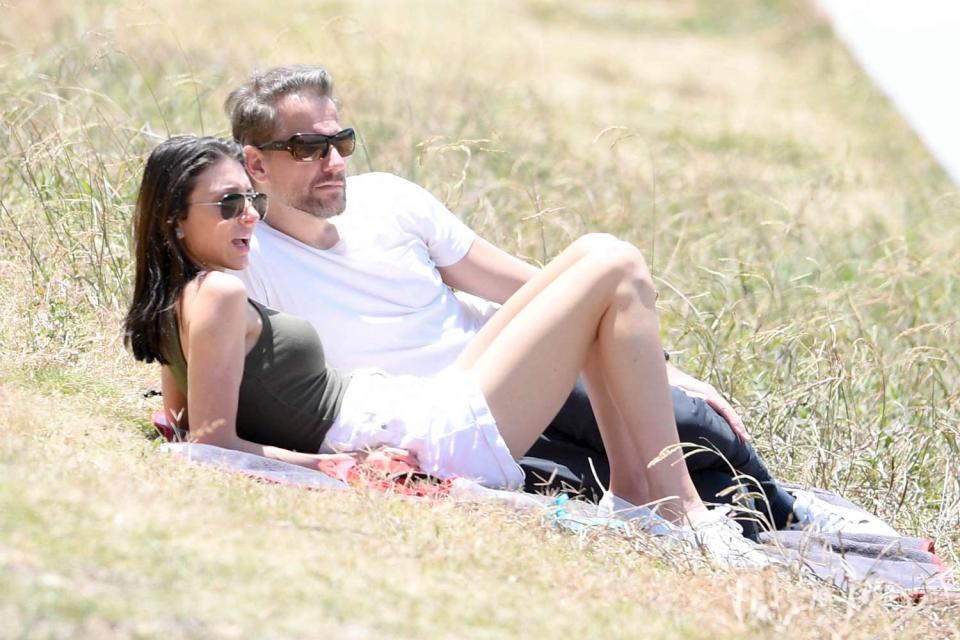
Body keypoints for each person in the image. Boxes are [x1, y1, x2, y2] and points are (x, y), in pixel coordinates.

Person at [222, 65, 896, 538]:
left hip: (507, 362)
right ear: (257, 165)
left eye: (341, 142)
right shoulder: (252, 261)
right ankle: (736, 518)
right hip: (453, 417)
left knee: (696, 423)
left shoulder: (391, 199)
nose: (334, 161)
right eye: (309, 149)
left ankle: (792, 515)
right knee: (587, 477)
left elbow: (523, 286)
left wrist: (666, 367)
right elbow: (223, 377)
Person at [125, 134, 777, 566]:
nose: (249, 216)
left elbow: (182, 426)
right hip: (420, 435)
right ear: (175, 220)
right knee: (614, 261)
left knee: (590, 266)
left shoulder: (176, 299)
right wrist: (343, 469)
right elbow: (214, 449)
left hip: (408, 409)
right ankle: (681, 510)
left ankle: (642, 496)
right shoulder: (217, 294)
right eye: (228, 203)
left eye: (252, 198)